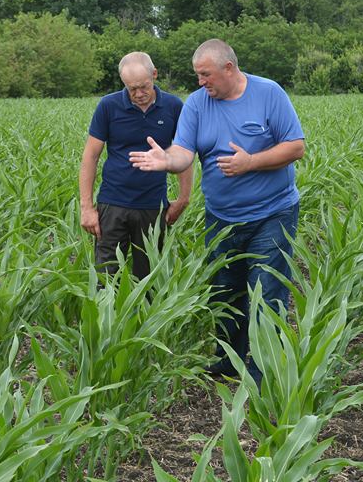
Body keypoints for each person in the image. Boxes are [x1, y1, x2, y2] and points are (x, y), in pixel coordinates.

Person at [130, 39, 305, 382]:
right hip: (221, 218)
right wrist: (167, 160)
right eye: (198, 75)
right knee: (225, 292)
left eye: (205, 74)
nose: (200, 82)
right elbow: (184, 152)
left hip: (271, 214)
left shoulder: (269, 93)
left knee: (266, 292)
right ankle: (228, 361)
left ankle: (263, 371)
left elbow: (295, 147)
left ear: (229, 68)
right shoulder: (198, 104)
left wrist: (251, 162)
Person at [79, 51, 192, 280]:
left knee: (149, 278)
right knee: (106, 277)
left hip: (152, 206)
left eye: (144, 87)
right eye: (132, 89)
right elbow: (90, 157)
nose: (139, 94)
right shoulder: (108, 106)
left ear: (154, 74)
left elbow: (185, 153)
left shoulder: (173, 106)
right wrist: (87, 208)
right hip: (112, 204)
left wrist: (183, 199)